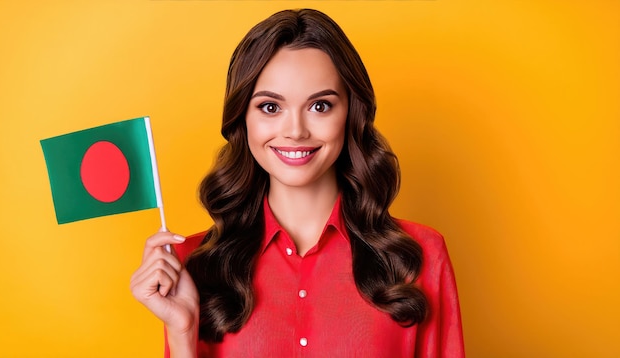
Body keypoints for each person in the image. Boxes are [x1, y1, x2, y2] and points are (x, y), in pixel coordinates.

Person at [130, 8, 464, 358]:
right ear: (243, 118)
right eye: (271, 107)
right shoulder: (192, 265)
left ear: (351, 113)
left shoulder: (420, 256)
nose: (295, 131)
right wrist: (182, 334)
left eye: (320, 106)